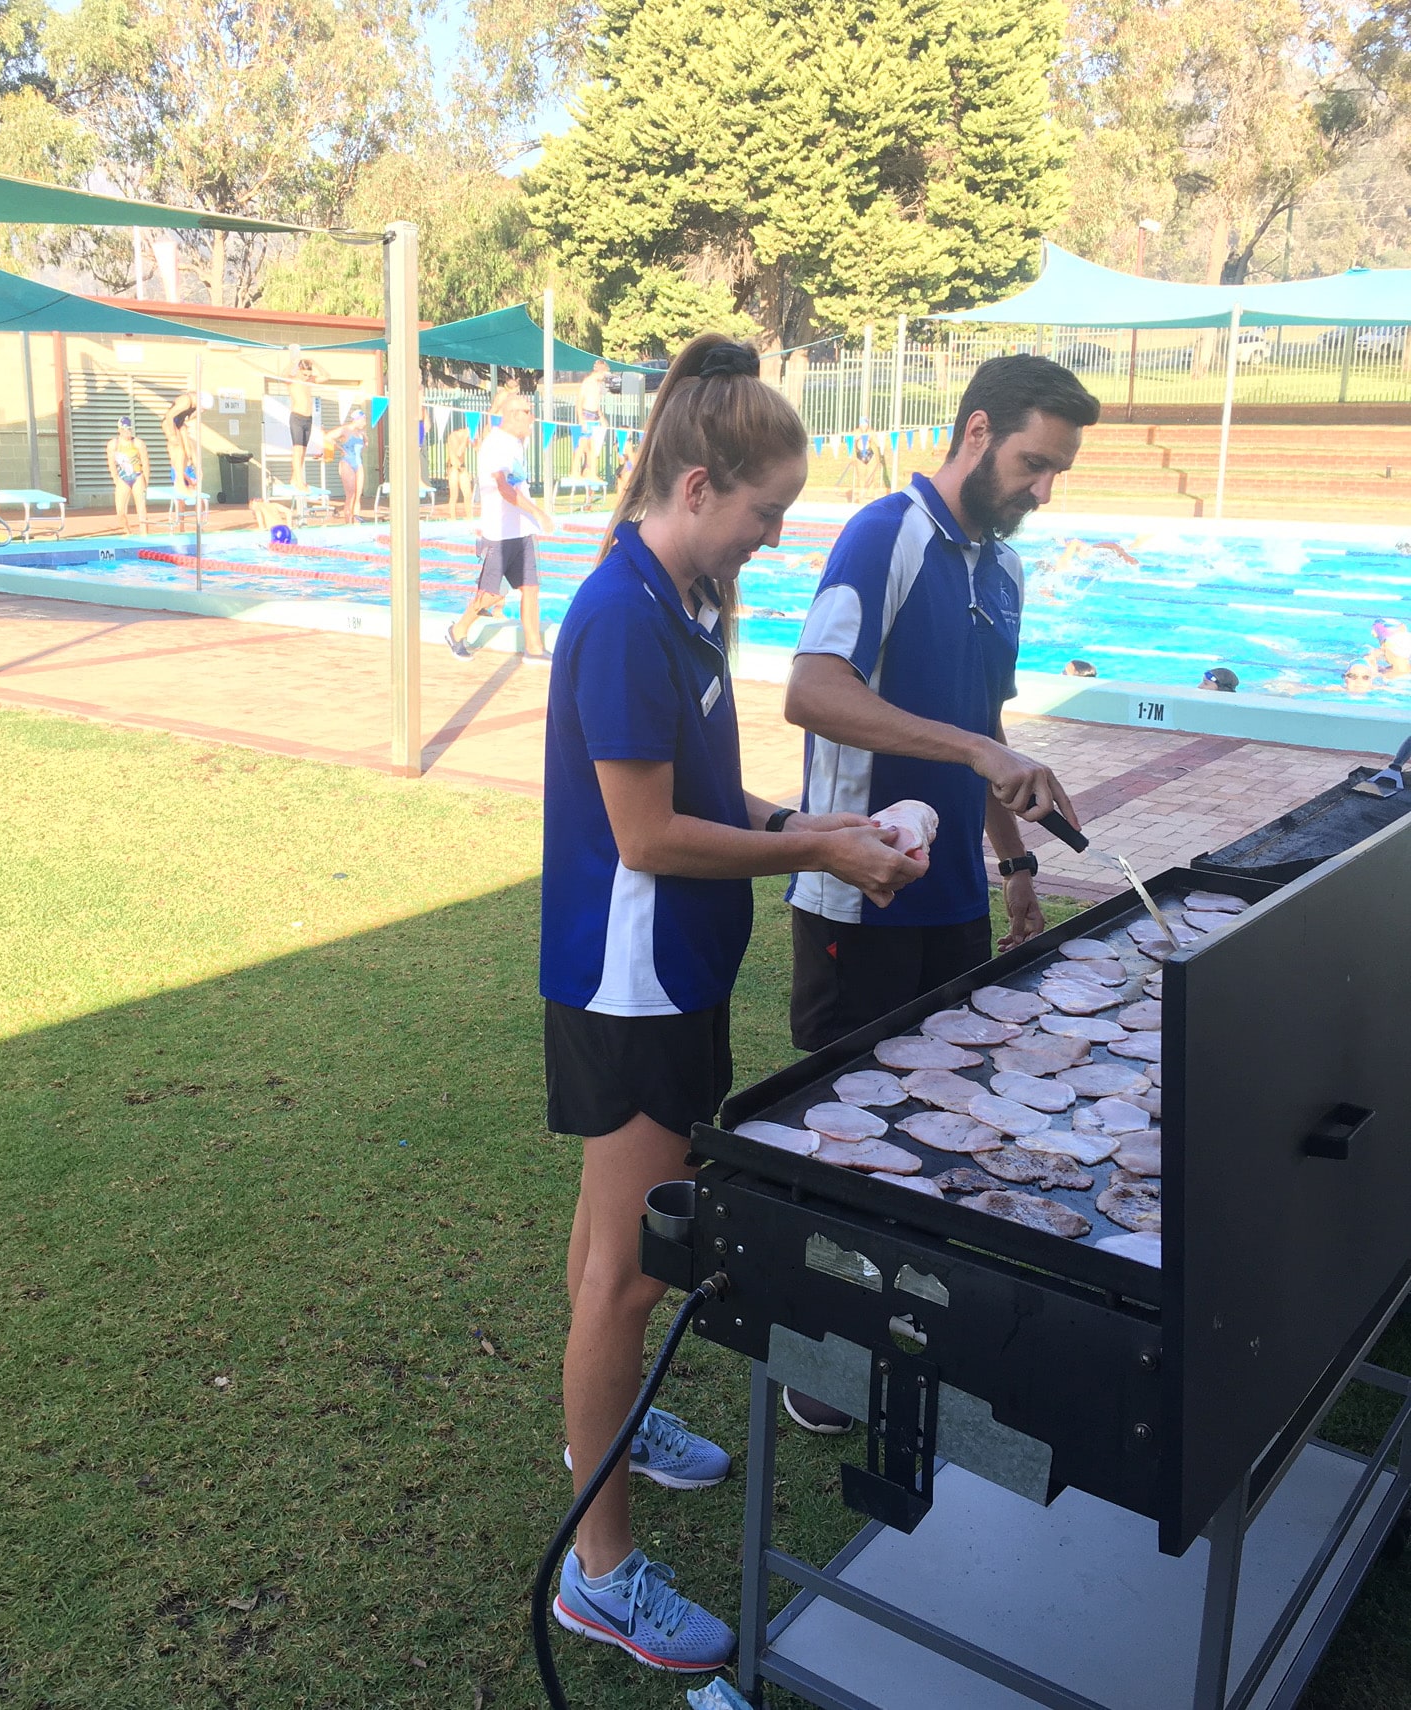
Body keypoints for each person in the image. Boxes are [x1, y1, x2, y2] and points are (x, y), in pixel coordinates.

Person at [541, 333, 925, 1673]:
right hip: (631, 984)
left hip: (675, 974)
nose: (775, 536)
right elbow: (645, 838)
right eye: (767, 514)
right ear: (699, 486)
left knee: (612, 1262)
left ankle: (612, 1428)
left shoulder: (684, 607)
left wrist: (820, 822)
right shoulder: (617, 617)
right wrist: (816, 849)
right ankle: (600, 1573)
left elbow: (709, 799)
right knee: (632, 1279)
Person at [781, 353, 1097, 1431]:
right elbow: (811, 692)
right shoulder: (887, 534)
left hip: (959, 901)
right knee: (843, 1132)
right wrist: (969, 747)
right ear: (975, 433)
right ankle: (821, 1362)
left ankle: (908, 1330)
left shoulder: (1001, 572)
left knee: (941, 1130)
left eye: (1056, 473)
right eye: (1034, 465)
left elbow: (986, 743)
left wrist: (1014, 867)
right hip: (856, 898)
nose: (1043, 491)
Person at [447, 391, 555, 662]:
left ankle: (534, 648)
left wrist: (531, 518)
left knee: (531, 587)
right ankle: (458, 630)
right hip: (500, 533)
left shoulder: (517, 442)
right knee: (491, 594)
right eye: (529, 413)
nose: (533, 419)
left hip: (522, 531)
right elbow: (504, 488)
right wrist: (539, 513)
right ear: (515, 416)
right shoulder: (496, 445)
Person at [284, 349, 329, 490]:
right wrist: (293, 362)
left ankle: (293, 478)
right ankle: (299, 481)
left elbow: (327, 376)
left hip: (308, 419)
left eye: (308, 374)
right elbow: (282, 375)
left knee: (303, 451)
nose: (306, 377)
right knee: (297, 451)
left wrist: (315, 363)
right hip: (297, 418)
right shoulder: (292, 380)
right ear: (298, 370)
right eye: (304, 374)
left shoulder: (309, 380)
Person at [106, 416, 151, 536]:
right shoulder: (113, 444)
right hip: (123, 477)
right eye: (125, 430)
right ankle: (128, 532)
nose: (128, 432)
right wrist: (115, 479)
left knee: (141, 509)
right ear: (119, 430)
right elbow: (111, 463)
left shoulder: (138, 443)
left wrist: (146, 481)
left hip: (137, 476)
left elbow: (145, 463)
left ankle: (144, 536)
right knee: (120, 511)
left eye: (130, 429)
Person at [324, 408, 368, 524]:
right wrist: (339, 448)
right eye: (364, 420)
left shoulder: (361, 433)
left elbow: (364, 447)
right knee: (351, 495)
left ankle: (356, 522)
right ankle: (348, 523)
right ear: (357, 420)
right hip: (347, 463)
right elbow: (327, 436)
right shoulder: (345, 430)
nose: (365, 423)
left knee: (358, 496)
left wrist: (365, 438)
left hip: (358, 463)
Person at [573, 358, 610, 482]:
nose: (604, 377)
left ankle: (592, 474)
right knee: (582, 446)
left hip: (594, 415)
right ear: (600, 372)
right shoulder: (587, 382)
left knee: (592, 448)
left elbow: (596, 403)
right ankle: (574, 472)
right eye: (604, 374)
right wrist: (581, 419)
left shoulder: (597, 385)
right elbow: (579, 402)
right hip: (586, 414)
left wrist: (601, 417)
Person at [837, 418, 888, 503]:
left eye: (865, 424)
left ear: (868, 424)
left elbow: (878, 443)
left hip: (870, 455)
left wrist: (873, 437)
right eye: (862, 425)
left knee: (871, 476)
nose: (864, 426)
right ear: (860, 425)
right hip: (859, 455)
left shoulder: (871, 432)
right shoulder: (855, 432)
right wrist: (856, 438)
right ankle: (862, 496)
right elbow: (849, 443)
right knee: (861, 477)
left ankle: (871, 496)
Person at [160, 391, 198, 486]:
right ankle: (178, 473)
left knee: (188, 448)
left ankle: (187, 467)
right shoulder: (186, 401)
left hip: (179, 424)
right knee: (179, 450)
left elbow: (189, 418)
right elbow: (169, 416)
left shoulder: (195, 405)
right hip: (169, 423)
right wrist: (172, 434)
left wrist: (199, 410)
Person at [444, 423, 473, 520]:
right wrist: (465, 438)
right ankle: (453, 518)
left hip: (462, 468)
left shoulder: (466, 437)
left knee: (468, 494)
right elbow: (459, 452)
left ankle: (469, 517)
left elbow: (476, 446)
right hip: (454, 468)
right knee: (454, 495)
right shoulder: (453, 436)